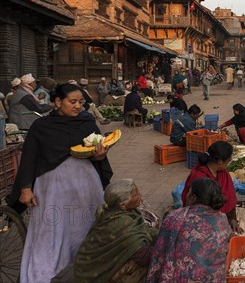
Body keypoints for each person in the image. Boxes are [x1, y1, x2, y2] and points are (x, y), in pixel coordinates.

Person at [10, 83, 112, 282]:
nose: (77, 106)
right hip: (52, 190)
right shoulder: (41, 127)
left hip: (86, 189)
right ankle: (47, 273)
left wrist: (100, 156)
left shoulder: (87, 122)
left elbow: (96, 155)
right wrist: (25, 189)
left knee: (85, 228)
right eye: (72, 102)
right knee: (52, 231)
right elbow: (29, 158)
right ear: (57, 102)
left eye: (80, 102)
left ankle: (85, 269)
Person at [147, 178, 232, 282]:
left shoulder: (175, 216)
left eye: (189, 192)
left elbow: (160, 251)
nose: (186, 195)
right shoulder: (222, 219)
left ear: (194, 198)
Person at [72, 179, 157, 283]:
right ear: (122, 205)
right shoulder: (122, 224)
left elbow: (145, 229)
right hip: (91, 275)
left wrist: (167, 233)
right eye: (136, 194)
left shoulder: (117, 211)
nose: (140, 195)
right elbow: (143, 256)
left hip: (85, 265)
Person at [181, 141, 240, 231]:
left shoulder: (224, 174)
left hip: (220, 218)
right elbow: (192, 204)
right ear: (220, 161)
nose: (229, 162)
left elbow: (230, 197)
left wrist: (232, 219)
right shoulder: (198, 176)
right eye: (228, 160)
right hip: (200, 222)